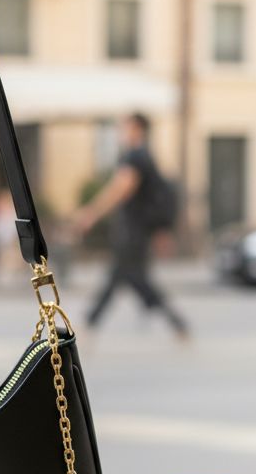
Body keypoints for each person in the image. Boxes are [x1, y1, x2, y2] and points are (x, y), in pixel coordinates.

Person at [73, 112, 189, 337]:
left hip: (132, 231)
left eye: (124, 128)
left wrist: (91, 213)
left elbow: (120, 190)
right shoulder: (144, 156)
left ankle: (90, 323)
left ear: (137, 129)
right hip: (136, 230)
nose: (121, 133)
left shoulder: (136, 157)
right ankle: (175, 322)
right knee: (131, 278)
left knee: (121, 276)